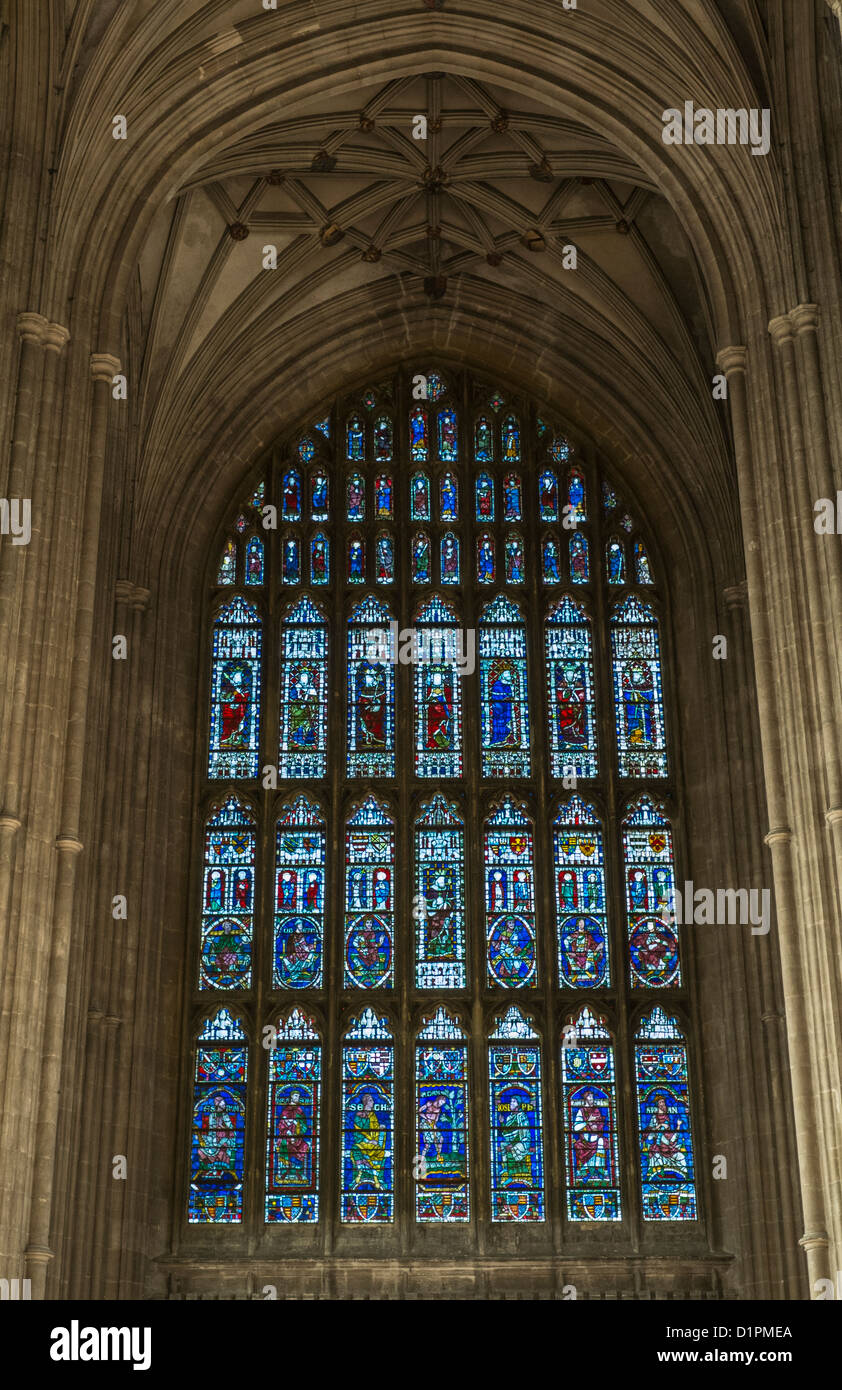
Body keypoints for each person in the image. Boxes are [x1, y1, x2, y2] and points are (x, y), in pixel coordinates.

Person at [350, 1092, 386, 1190]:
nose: (373, 1102)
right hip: (363, 1143)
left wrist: (380, 1129)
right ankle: (362, 1167)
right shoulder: (359, 1116)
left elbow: (374, 1132)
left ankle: (373, 1172)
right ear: (366, 1103)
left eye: (372, 1100)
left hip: (374, 1144)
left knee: (380, 1151)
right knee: (355, 1149)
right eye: (371, 1100)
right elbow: (357, 1133)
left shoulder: (373, 1115)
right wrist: (369, 1141)